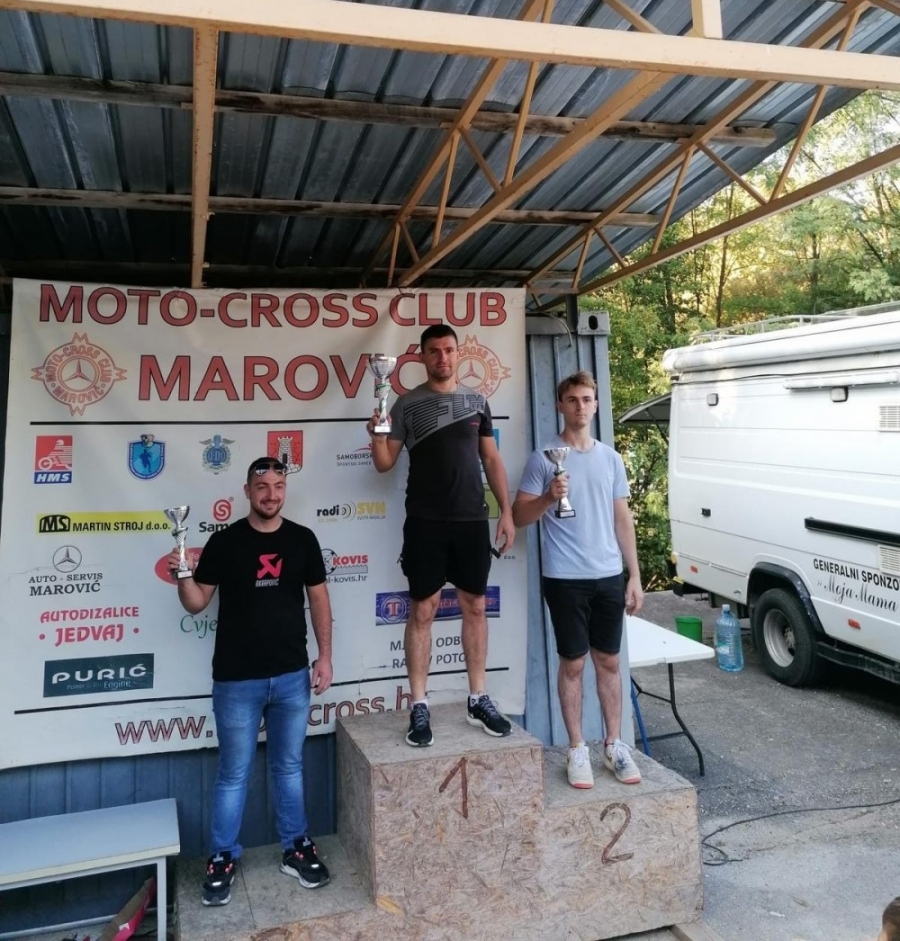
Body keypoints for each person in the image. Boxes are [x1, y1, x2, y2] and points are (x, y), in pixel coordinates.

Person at [169, 456, 334, 907]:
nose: (271, 494)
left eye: (278, 486)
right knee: (233, 774)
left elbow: (320, 601)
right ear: (247, 491)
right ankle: (222, 857)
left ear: (285, 490)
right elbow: (196, 603)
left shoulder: (303, 539)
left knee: (289, 767)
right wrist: (183, 576)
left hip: (292, 677)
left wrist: (325, 657)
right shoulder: (224, 543)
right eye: (262, 487)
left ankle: (296, 848)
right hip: (236, 681)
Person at [367, 324, 516, 747]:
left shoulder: (477, 401)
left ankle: (478, 698)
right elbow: (384, 463)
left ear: (457, 353)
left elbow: (491, 458)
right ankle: (419, 704)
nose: (443, 358)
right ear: (423, 356)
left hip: (472, 521)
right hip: (425, 522)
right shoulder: (406, 404)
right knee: (423, 611)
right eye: (434, 351)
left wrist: (506, 512)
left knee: (475, 607)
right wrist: (376, 436)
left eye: (449, 350)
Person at [512, 370, 644, 788]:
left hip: (608, 575)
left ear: (596, 405)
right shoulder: (544, 459)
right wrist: (548, 497)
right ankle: (576, 748)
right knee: (573, 663)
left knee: (609, 661)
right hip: (565, 577)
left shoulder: (610, 459)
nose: (580, 407)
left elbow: (622, 519)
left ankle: (614, 745)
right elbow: (519, 516)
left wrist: (634, 575)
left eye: (587, 399)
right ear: (560, 405)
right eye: (572, 400)